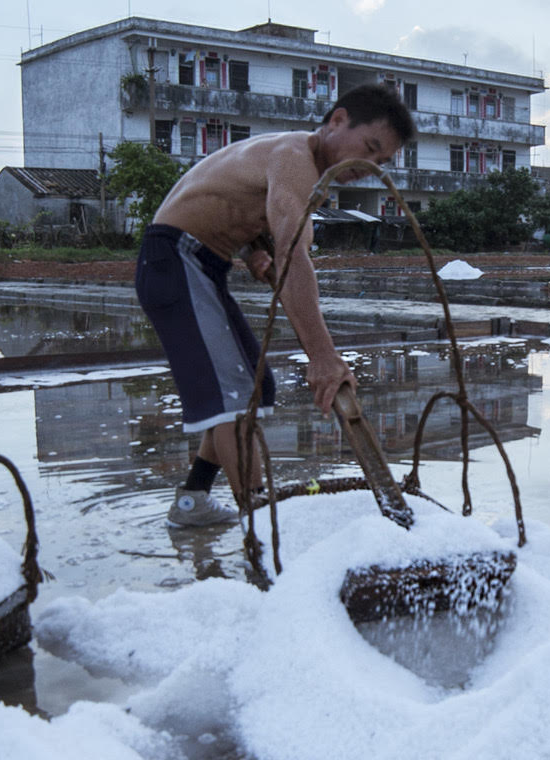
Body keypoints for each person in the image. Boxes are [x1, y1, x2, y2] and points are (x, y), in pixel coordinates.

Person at [135, 84, 415, 526]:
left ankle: (193, 499)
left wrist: (253, 250)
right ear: (338, 120)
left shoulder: (304, 173)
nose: (367, 167)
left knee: (255, 387)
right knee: (235, 397)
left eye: (379, 163)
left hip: (201, 265)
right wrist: (323, 356)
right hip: (175, 258)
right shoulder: (294, 156)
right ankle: (262, 527)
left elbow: (236, 211)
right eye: (369, 148)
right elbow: (292, 253)